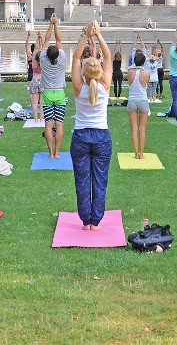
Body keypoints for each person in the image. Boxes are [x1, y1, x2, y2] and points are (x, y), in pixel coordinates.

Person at [70, 20, 113, 230]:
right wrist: (98, 35)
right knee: (100, 180)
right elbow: (108, 57)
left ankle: (86, 221)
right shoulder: (105, 86)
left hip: (80, 137)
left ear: (85, 73)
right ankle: (95, 222)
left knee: (82, 180)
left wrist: (87, 35)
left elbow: (77, 57)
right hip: (101, 137)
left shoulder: (79, 87)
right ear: (99, 72)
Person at [42, 13, 67, 158]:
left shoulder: (44, 59)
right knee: (60, 125)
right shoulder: (62, 58)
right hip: (59, 94)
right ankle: (57, 152)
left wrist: (50, 24)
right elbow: (58, 39)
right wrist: (56, 23)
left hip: (47, 94)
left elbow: (47, 39)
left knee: (48, 125)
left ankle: (50, 153)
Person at [126, 50, 149, 159]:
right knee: (142, 129)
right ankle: (141, 153)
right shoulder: (146, 73)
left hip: (132, 100)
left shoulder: (130, 71)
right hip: (143, 100)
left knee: (134, 129)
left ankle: (136, 153)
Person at [25, 31, 44, 123]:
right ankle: (41, 119)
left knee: (34, 102)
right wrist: (41, 38)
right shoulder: (44, 61)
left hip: (34, 80)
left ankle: (36, 119)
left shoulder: (33, 59)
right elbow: (43, 49)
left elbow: (36, 48)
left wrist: (37, 38)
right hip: (42, 81)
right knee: (42, 102)